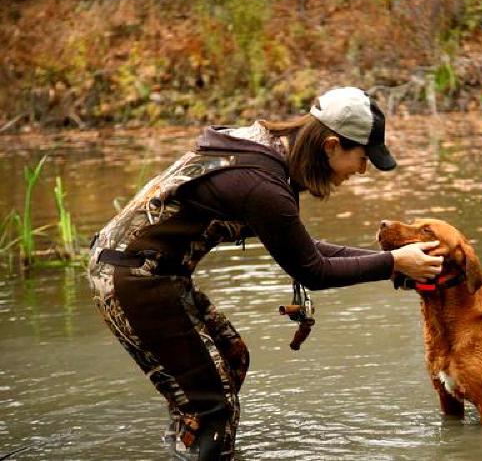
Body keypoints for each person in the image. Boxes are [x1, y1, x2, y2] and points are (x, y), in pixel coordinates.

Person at [87, 86, 443, 460]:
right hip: (133, 279)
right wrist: (393, 263)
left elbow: (307, 249)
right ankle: (198, 447)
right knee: (213, 406)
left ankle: (185, 449)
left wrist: (396, 263)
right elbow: (313, 271)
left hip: (154, 273)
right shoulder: (263, 187)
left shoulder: (269, 150)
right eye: (362, 157)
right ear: (332, 146)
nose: (362, 169)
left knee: (231, 357)